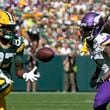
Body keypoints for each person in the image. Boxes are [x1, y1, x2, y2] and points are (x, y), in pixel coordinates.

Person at [0, 9, 39, 110]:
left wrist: (26, 74)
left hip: (5, 79)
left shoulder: (17, 43)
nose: (9, 31)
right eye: (6, 27)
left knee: (3, 84)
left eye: (11, 28)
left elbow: (18, 70)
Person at [80, 11, 110, 110]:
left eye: (88, 29)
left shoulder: (102, 41)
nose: (84, 32)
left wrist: (103, 78)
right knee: (98, 105)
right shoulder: (90, 42)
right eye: (83, 29)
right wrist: (96, 74)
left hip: (107, 77)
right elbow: (102, 60)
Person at [25, 26, 40, 92]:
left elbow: (35, 50)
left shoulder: (36, 42)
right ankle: (28, 90)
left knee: (34, 75)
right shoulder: (29, 41)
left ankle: (34, 90)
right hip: (30, 60)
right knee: (29, 75)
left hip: (33, 60)